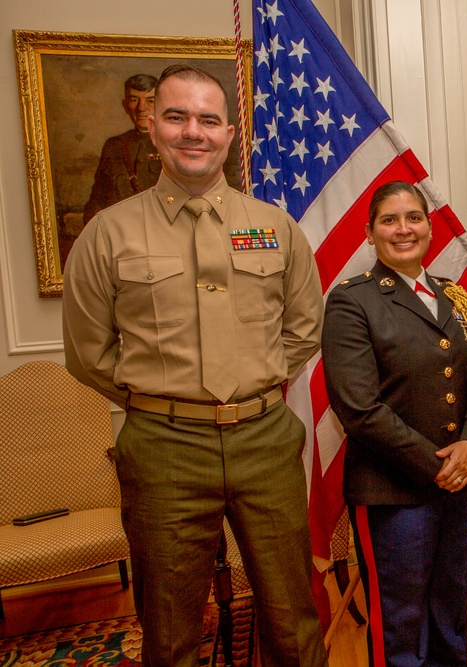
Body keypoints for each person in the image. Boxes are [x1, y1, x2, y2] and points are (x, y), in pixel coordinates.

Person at [62, 64, 326, 667]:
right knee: (172, 628)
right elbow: (87, 352)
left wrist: (253, 378)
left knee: (293, 619)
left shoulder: (275, 229)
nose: (193, 131)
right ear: (152, 127)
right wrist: (163, 396)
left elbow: (304, 327)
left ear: (230, 133)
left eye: (208, 119)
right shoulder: (108, 233)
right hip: (163, 446)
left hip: (265, 441)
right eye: (177, 117)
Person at [322, 181, 467, 666]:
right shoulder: (351, 302)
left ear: (429, 226)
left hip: (458, 486)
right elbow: (358, 407)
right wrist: (438, 464)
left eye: (414, 218)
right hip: (392, 492)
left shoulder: (454, 298)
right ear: (369, 234)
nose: (404, 229)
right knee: (401, 626)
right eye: (390, 220)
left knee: (449, 615)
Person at [83, 73, 160, 223]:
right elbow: (97, 201)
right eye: (133, 100)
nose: (141, 108)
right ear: (125, 106)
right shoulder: (114, 146)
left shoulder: (174, 144)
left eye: (150, 101)